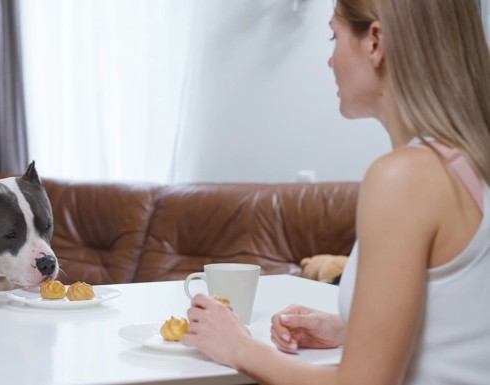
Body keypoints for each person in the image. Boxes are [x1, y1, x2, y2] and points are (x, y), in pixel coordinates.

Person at [181, 0, 490, 384]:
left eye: (334, 35)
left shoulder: (405, 178)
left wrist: (238, 346)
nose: (330, 60)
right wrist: (350, 330)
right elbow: (464, 320)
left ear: (375, 42)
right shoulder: (469, 162)